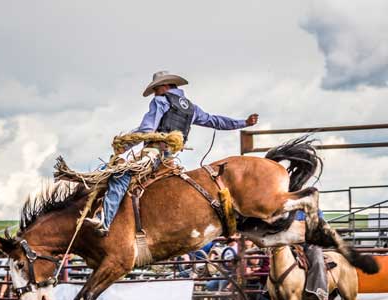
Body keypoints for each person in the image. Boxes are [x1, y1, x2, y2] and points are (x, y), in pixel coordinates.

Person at [85, 71, 259, 235]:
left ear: (165, 86)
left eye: (155, 88)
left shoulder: (160, 101)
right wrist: (243, 122)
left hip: (153, 155)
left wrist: (126, 143)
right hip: (170, 158)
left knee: (119, 176)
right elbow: (215, 121)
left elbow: (147, 129)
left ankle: (104, 221)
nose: (154, 93)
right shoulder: (191, 108)